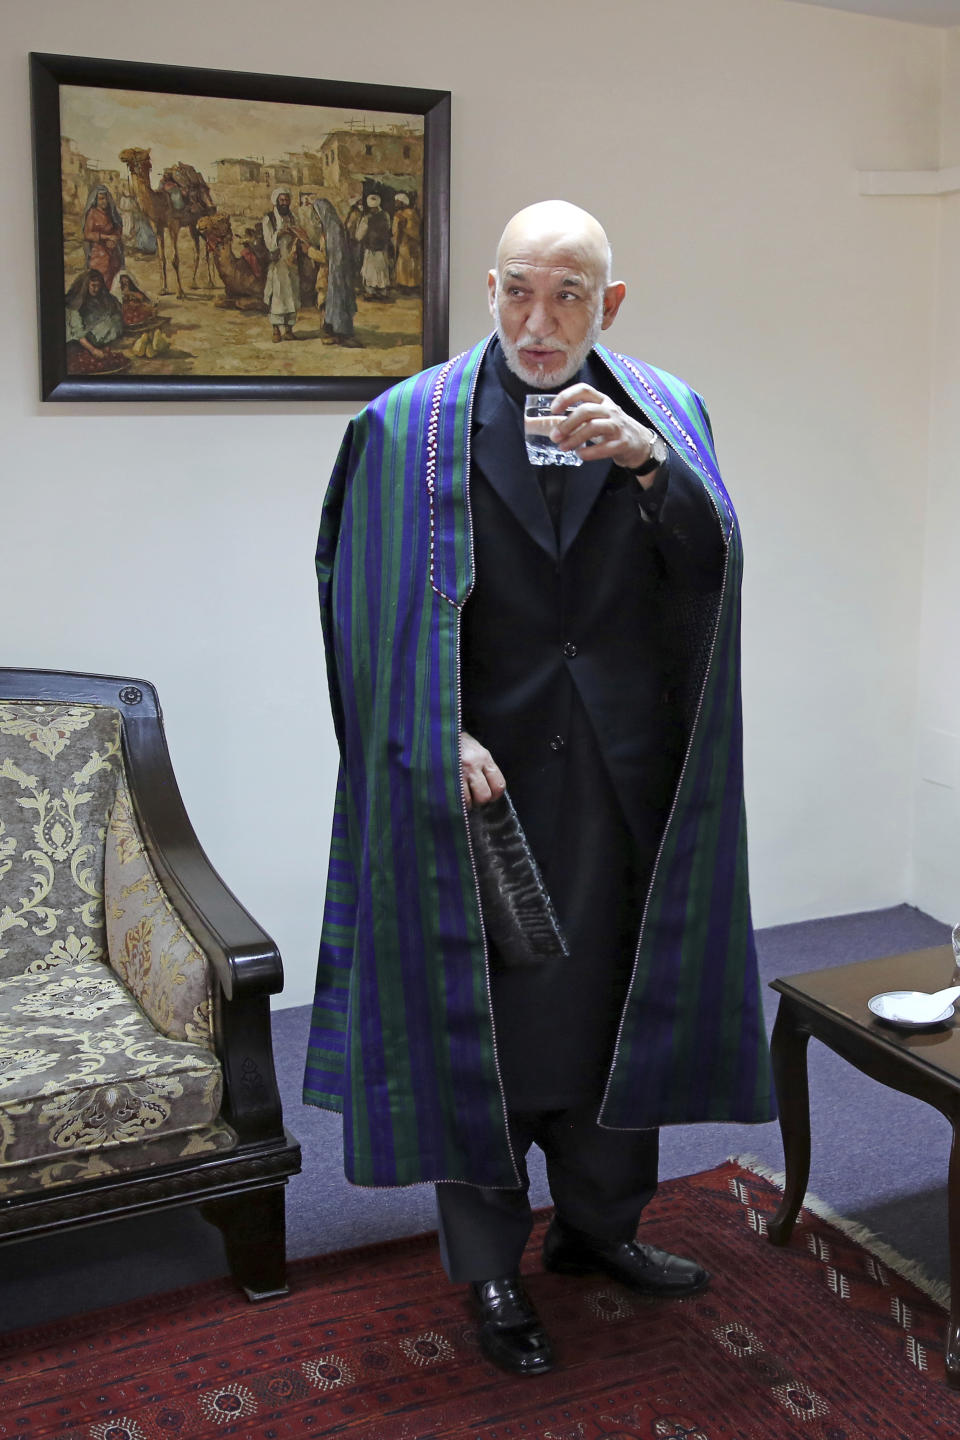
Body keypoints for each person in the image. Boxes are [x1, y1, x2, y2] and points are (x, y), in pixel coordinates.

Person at [304, 200, 775, 1378]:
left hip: (624, 778)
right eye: (520, 289)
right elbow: (365, 619)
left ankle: (600, 1230)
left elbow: (705, 577)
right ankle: (491, 1269)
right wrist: (436, 729)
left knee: (619, 1005)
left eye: (569, 295)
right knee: (492, 1033)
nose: (541, 319)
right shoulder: (402, 426)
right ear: (492, 291)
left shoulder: (667, 412)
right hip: (479, 788)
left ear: (608, 303)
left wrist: (654, 468)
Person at [306, 197, 361, 347]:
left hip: (332, 274)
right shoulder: (330, 227)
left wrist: (309, 250)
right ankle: (334, 332)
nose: (315, 218)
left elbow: (327, 257)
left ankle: (334, 333)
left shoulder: (333, 230)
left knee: (327, 302)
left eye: (316, 214)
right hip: (332, 273)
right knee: (327, 302)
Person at [262, 187, 309, 341]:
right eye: (281, 200)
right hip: (277, 264)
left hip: (291, 262)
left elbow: (300, 236)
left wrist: (297, 238)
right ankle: (276, 330)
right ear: (276, 201)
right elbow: (269, 244)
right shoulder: (269, 219)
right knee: (277, 297)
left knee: (291, 296)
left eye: (287, 200)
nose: (284, 203)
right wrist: (280, 232)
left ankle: (288, 329)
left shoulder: (293, 217)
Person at [64, 268, 127, 374]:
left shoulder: (101, 297)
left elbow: (116, 309)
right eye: (93, 286)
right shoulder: (75, 303)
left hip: (97, 339)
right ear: (86, 285)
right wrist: (93, 350)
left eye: (98, 285)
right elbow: (78, 333)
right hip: (79, 343)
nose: (96, 289)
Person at [81, 183, 125, 290]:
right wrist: (106, 237)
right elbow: (87, 234)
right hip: (99, 253)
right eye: (100, 199)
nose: (103, 201)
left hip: (113, 250)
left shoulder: (111, 212)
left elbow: (118, 227)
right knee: (101, 278)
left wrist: (114, 238)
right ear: (96, 200)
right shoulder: (92, 213)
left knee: (114, 276)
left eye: (105, 198)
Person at [355, 192, 392, 300]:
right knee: (381, 270)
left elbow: (358, 235)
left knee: (370, 270)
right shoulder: (386, 215)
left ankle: (371, 292)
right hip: (382, 248)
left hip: (371, 248)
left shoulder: (367, 218)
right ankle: (383, 291)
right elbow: (388, 228)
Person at [391, 193, 421, 292]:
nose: (396, 204)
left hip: (409, 243)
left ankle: (410, 286)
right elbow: (394, 231)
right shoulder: (401, 214)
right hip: (404, 243)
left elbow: (413, 229)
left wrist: (402, 228)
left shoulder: (410, 214)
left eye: (397, 202)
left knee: (410, 264)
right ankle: (404, 285)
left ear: (403, 202)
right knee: (403, 264)